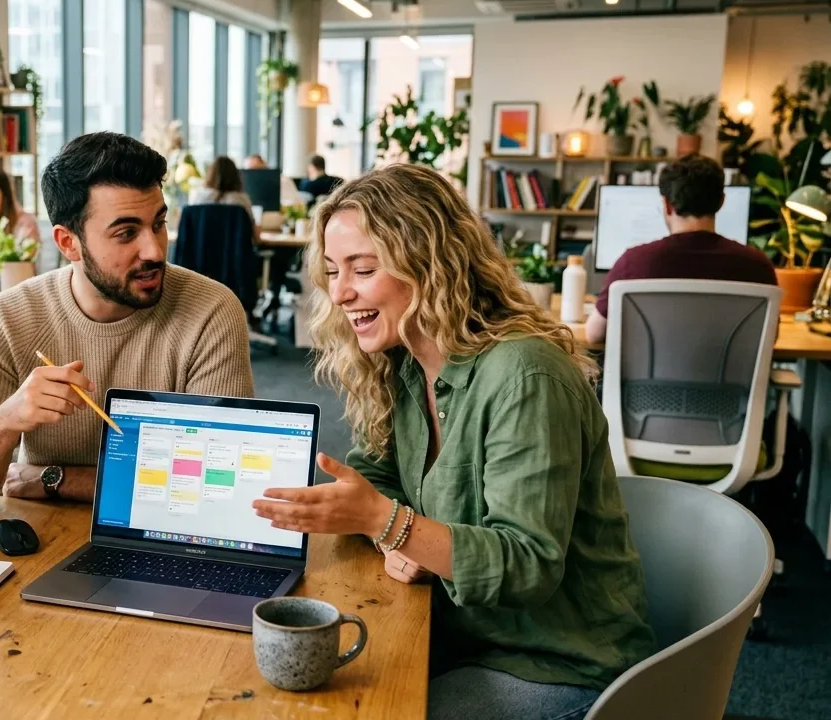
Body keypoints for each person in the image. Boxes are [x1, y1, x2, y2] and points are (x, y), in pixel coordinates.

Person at [252, 165, 655, 720]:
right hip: (463, 633)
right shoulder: (407, 364)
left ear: (428, 264)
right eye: (332, 272)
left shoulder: (525, 377)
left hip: (559, 664)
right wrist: (398, 535)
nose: (341, 292)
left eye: (363, 269)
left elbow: (527, 564)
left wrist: (387, 524)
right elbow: (381, 477)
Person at [0, 132, 255, 511]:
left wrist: (57, 478)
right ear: (69, 243)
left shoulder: (211, 311)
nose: (153, 250)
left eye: (159, 224)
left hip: (169, 546)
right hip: (45, 545)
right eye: (126, 233)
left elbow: (217, 486)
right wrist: (6, 421)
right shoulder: (9, 317)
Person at [585, 154, 777, 344]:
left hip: (650, 376)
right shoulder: (758, 266)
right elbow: (771, 336)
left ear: (667, 205)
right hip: (736, 376)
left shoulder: (634, 262)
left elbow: (594, 334)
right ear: (721, 201)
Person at [188, 155, 252, 212]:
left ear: (210, 175)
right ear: (236, 176)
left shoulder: (198, 197)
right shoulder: (242, 200)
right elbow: (250, 223)